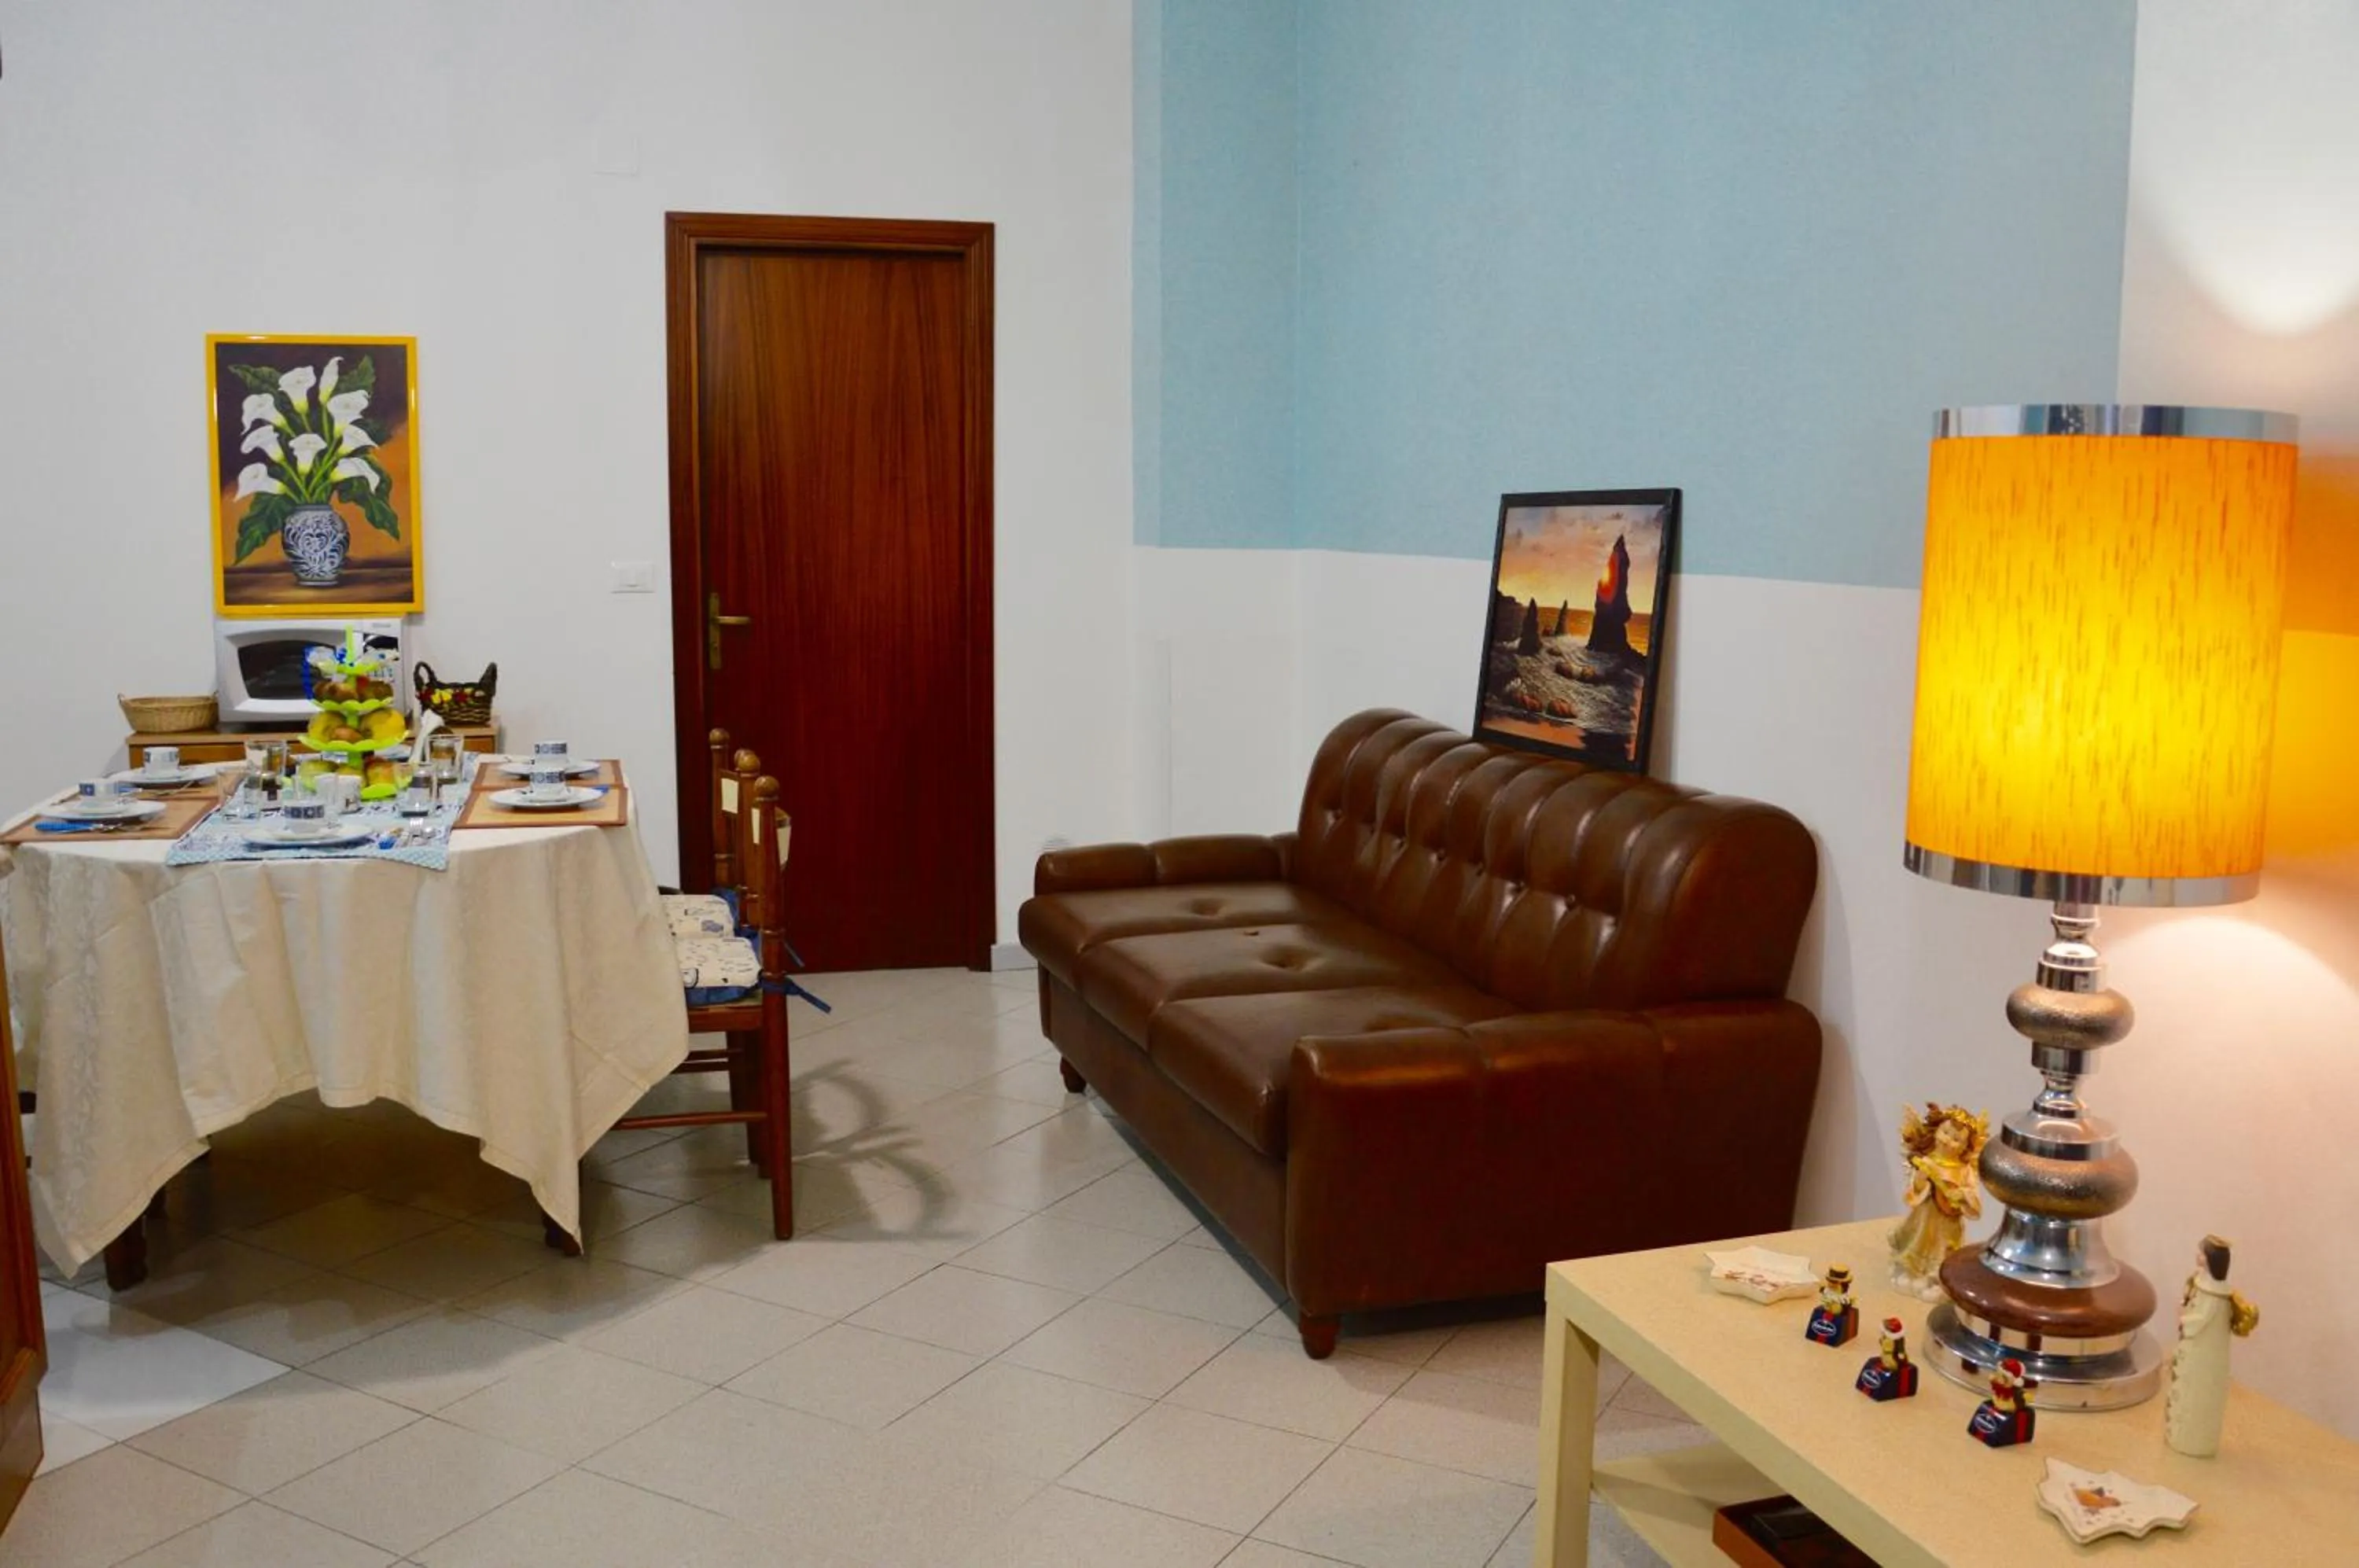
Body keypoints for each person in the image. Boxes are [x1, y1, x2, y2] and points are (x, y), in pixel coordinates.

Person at [2166, 1235, 2258, 1457]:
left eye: (2202, 1254)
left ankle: (2193, 1441)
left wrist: (2183, 1319)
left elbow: (2200, 1320)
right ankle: (2177, 1434)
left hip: (2204, 1354)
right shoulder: (2200, 1282)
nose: (2198, 1257)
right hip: (2193, 1349)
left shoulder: (2216, 1295)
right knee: (2185, 1389)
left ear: (2211, 1260)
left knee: (2198, 1394)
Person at [1888, 1103, 1988, 1299]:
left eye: (1956, 1139)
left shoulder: (1965, 1170)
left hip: (1948, 1225)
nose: (1948, 1141)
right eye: (1945, 1133)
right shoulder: (1926, 1161)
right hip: (1923, 1220)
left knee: (1944, 1251)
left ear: (1965, 1147)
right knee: (1918, 1244)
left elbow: (1975, 1201)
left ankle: (1937, 1278)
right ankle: (1914, 1273)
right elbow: (1913, 1194)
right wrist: (1920, 1182)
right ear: (1935, 1132)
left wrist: (1963, 1196)